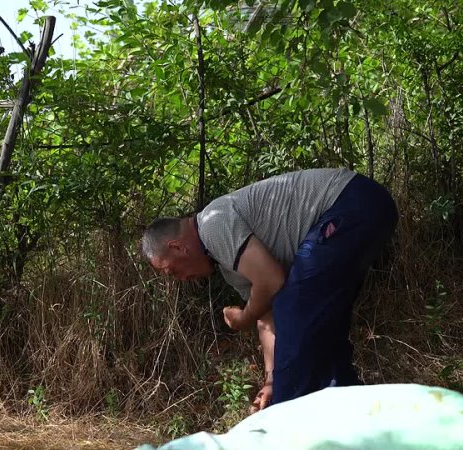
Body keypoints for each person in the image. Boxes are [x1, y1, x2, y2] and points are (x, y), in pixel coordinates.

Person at [141, 168, 398, 412]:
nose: (181, 279)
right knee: (322, 336)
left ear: (177, 247)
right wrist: (271, 381)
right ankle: (353, 419)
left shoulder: (212, 224)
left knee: (295, 308)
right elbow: (267, 318)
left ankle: (282, 428)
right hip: (359, 209)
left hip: (352, 200)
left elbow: (273, 282)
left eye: (172, 271)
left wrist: (243, 318)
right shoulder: (229, 266)